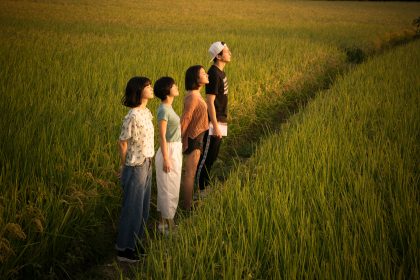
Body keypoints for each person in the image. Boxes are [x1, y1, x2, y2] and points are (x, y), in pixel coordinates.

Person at [116, 76, 154, 263]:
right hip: (135, 165)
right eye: (148, 86)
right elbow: (123, 142)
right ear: (139, 90)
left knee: (143, 207)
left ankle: (136, 243)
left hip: (147, 162)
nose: (151, 88)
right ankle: (124, 249)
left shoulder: (146, 113)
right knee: (132, 208)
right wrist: (122, 166)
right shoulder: (132, 116)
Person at [196, 41, 232, 195]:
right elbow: (209, 101)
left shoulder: (221, 73)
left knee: (213, 155)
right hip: (214, 121)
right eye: (226, 51)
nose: (229, 53)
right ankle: (200, 190)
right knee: (207, 156)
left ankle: (206, 186)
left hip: (221, 119)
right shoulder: (214, 73)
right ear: (218, 56)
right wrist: (215, 125)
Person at [154, 77, 182, 235]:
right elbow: (162, 136)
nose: (177, 87)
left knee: (171, 187)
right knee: (168, 189)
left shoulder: (168, 108)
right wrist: (166, 158)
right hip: (168, 151)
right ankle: (168, 226)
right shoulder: (164, 109)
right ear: (167, 90)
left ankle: (163, 224)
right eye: (173, 85)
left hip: (174, 149)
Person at [180, 65, 209, 210]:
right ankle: (187, 207)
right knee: (190, 174)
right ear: (196, 79)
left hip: (197, 137)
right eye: (203, 73)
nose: (207, 75)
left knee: (190, 173)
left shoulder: (195, 95)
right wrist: (179, 139)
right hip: (193, 138)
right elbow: (185, 118)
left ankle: (187, 204)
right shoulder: (193, 96)